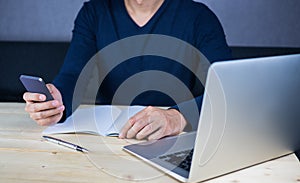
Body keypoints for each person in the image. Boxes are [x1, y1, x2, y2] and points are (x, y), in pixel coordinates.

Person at [23, 0, 231, 140]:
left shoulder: (199, 17)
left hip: (176, 137)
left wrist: (176, 117)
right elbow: (72, 75)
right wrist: (55, 103)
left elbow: (226, 90)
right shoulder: (94, 12)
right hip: (113, 137)